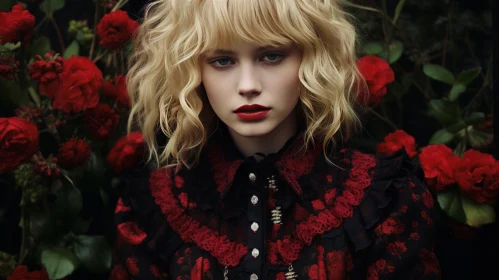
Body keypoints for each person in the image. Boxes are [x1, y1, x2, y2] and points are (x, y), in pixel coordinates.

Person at [110, 0, 441, 279]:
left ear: (310, 57)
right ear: (194, 71)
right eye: (222, 60)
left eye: (271, 55)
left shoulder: (385, 200)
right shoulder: (152, 211)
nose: (248, 85)